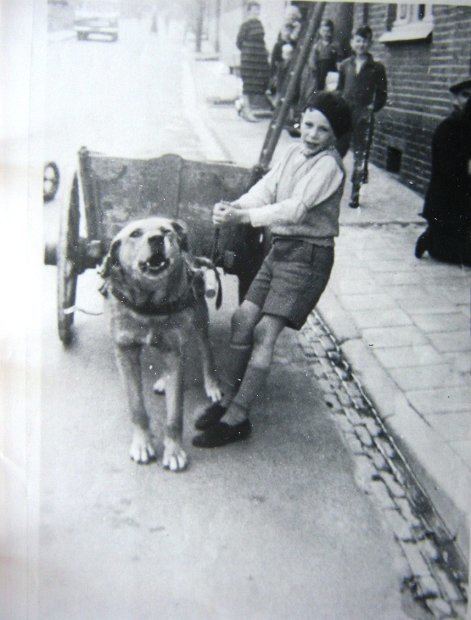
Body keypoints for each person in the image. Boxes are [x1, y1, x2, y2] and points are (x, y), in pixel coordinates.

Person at [192, 92, 352, 448]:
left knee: (265, 331)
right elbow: (267, 189)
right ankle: (226, 402)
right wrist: (234, 205)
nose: (311, 134)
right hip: (280, 250)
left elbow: (294, 210)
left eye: (322, 130)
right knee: (242, 318)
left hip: (308, 257)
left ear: (334, 135)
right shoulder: (294, 153)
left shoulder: (329, 166)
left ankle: (238, 416)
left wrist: (244, 217)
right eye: (308, 124)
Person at [415, 78, 471, 266]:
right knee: (458, 255)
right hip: (448, 204)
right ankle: (430, 239)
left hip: (464, 203)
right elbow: (450, 173)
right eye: (465, 95)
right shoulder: (448, 129)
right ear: (455, 100)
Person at [337, 25, 387, 208]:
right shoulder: (344, 65)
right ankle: (331, 187)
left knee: (360, 155)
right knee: (337, 150)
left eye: (365, 40)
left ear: (370, 43)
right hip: (345, 114)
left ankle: (355, 192)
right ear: (352, 42)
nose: (361, 44)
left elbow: (382, 94)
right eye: (358, 40)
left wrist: (372, 108)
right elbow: (339, 90)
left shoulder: (377, 68)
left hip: (363, 116)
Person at [236, 1, 270, 122]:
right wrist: (249, 51)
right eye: (254, 10)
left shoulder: (259, 23)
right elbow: (239, 42)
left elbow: (261, 40)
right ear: (249, 10)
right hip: (249, 60)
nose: (256, 12)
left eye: (258, 10)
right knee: (248, 85)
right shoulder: (245, 25)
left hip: (259, 60)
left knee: (257, 84)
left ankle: (243, 106)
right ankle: (247, 110)